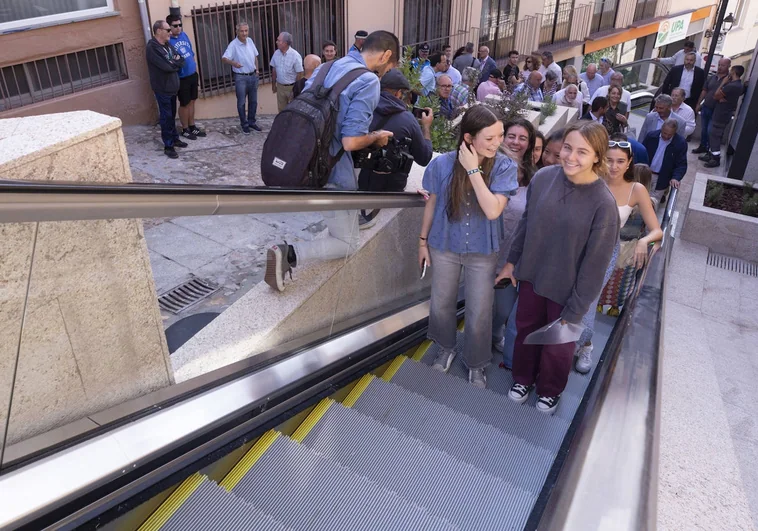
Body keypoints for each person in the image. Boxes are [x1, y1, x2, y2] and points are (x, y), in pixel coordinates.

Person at [497, 121, 619, 414]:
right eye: (567, 147)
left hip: (569, 290)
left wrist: (578, 306)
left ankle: (550, 390)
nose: (571, 157)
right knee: (526, 331)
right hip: (533, 278)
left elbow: (596, 263)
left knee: (559, 345)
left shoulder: (603, 204)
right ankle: (523, 378)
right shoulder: (544, 179)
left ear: (597, 157)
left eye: (582, 152)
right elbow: (526, 225)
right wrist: (511, 264)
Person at [264, 30, 400, 292]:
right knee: (348, 243)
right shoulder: (368, 81)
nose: (385, 74)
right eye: (389, 68)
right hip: (333, 173)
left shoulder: (328, 66)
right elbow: (350, 141)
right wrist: (377, 137)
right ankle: (288, 253)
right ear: (385, 56)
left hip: (306, 161)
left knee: (337, 225)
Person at [419, 105, 518, 389]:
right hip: (444, 244)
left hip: (482, 250)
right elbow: (433, 204)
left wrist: (473, 170)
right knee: (441, 302)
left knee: (479, 309)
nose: (498, 143)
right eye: (490, 138)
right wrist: (422, 241)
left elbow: (492, 211)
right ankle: (446, 347)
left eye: (500, 135)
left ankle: (476, 363)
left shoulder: (503, 166)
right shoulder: (441, 165)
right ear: (468, 138)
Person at [574, 138, 663, 373]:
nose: (613, 166)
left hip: (604, 253)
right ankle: (566, 345)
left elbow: (657, 230)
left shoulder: (636, 190)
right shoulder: (590, 180)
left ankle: (585, 345)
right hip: (574, 248)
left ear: (629, 163)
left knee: (587, 303)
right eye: (609, 160)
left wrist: (644, 241)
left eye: (620, 161)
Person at [358, 69, 433, 227]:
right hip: (392, 188)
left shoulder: (363, 109)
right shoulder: (407, 119)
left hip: (362, 181)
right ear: (399, 93)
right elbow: (424, 158)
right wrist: (426, 127)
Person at [492, 118, 537, 367]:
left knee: (503, 310)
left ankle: (494, 334)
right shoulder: (490, 167)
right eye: (511, 136)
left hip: (511, 257)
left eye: (523, 138)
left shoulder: (534, 178)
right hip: (483, 251)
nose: (516, 142)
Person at [146, 19, 187, 159]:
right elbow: (167, 67)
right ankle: (168, 146)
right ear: (159, 31)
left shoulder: (168, 44)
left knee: (171, 115)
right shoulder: (153, 48)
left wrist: (174, 62)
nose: (171, 32)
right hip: (162, 88)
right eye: (168, 30)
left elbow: (181, 59)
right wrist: (174, 63)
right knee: (166, 116)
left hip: (172, 87)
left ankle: (175, 138)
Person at [167, 14, 205, 140]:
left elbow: (191, 53)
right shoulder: (168, 42)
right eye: (175, 26)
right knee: (184, 103)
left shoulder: (184, 35)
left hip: (192, 75)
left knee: (192, 101)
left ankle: (192, 126)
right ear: (169, 27)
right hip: (181, 77)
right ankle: (184, 129)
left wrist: (195, 69)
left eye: (180, 25)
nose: (178, 28)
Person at [701, 65, 745, 168]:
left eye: (731, 70)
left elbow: (716, 95)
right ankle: (711, 154)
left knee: (715, 135)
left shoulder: (731, 85)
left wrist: (723, 83)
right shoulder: (739, 85)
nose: (729, 72)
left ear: (733, 72)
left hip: (721, 114)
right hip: (723, 113)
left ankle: (715, 159)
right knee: (713, 134)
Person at [222, 21, 262, 134]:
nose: (244, 33)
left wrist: (257, 70)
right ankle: (244, 124)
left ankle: (251, 122)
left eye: (246, 31)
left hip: (253, 76)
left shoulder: (250, 41)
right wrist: (234, 63)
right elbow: (224, 58)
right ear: (237, 32)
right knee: (241, 103)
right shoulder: (233, 45)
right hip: (241, 78)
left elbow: (255, 56)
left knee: (253, 102)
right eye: (242, 31)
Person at [691, 57, 731, 156]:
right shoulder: (712, 77)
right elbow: (704, 90)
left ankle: (710, 150)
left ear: (729, 66)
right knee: (704, 130)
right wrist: (698, 104)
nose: (720, 67)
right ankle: (703, 146)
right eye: (719, 65)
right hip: (706, 107)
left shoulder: (729, 80)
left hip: (717, 110)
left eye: (723, 65)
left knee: (711, 131)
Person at [642, 119, 688, 204]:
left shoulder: (680, 143)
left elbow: (681, 164)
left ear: (675, 132)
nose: (666, 136)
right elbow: (642, 153)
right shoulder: (651, 136)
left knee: (651, 204)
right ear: (661, 128)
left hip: (662, 178)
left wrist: (676, 177)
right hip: (645, 174)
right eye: (664, 133)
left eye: (670, 135)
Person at [270, 32, 304, 112]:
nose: (276, 42)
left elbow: (300, 74)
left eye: (279, 40)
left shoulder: (295, 55)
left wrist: (295, 89)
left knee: (292, 110)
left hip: (291, 87)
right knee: (281, 110)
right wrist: (273, 85)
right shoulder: (276, 53)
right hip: (280, 86)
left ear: (285, 43)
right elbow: (274, 70)